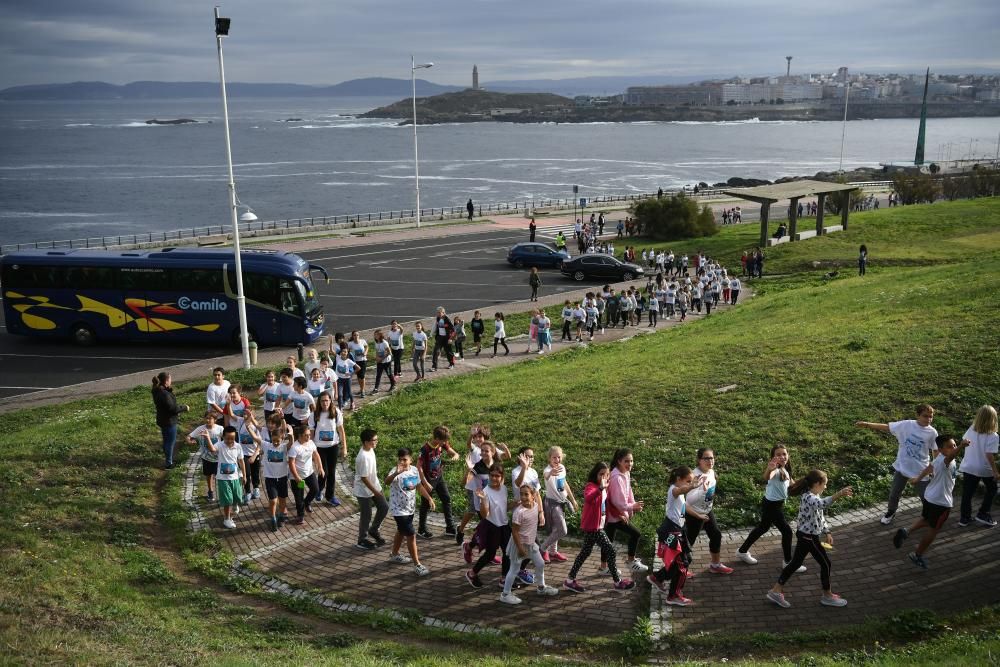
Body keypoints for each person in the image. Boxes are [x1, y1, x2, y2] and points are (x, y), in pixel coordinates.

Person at [767, 471, 852, 609]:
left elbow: (820, 516)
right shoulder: (808, 497)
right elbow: (822, 504)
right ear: (817, 483)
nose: (825, 487)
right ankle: (827, 596)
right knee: (826, 564)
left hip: (806, 535)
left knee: (795, 563)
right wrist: (839, 494)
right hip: (809, 536)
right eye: (825, 484)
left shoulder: (814, 495)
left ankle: (775, 591)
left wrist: (827, 531)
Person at [856, 404, 939, 525]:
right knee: (894, 493)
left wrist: (933, 469)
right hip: (902, 467)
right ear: (917, 415)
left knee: (925, 496)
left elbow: (935, 450)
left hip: (920, 471)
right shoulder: (907, 425)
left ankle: (929, 515)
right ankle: (891, 512)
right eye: (925, 416)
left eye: (931, 417)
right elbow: (887, 427)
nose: (928, 419)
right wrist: (867, 424)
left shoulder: (932, 433)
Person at [894, 435, 968, 568]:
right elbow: (949, 458)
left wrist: (917, 478)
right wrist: (962, 446)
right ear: (940, 450)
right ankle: (917, 555)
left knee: (927, 519)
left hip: (930, 497)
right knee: (934, 529)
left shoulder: (939, 458)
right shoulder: (947, 460)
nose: (953, 448)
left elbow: (930, 467)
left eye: (955, 445)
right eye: (949, 446)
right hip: (941, 502)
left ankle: (906, 531)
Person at [563, 462, 636, 593]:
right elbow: (589, 498)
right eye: (601, 474)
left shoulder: (605, 488)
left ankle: (569, 580)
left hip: (599, 525)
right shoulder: (591, 487)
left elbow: (607, 505)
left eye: (606, 475)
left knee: (585, 553)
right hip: (593, 528)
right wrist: (600, 489)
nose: (604, 477)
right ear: (595, 474)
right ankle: (618, 582)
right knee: (611, 551)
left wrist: (618, 514)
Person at [737, 445, 804, 572]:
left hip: (772, 504)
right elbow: (767, 476)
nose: (782, 457)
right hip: (772, 506)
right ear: (773, 458)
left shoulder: (785, 469)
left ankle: (742, 551)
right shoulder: (775, 470)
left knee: (763, 527)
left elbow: (792, 484)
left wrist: (807, 483)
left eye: (784, 454)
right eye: (778, 455)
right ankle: (788, 562)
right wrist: (769, 469)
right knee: (787, 532)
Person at [501, 484, 559, 604]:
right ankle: (505, 594)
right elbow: (515, 532)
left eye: (526, 494)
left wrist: (541, 515)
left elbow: (539, 498)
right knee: (514, 570)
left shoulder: (536, 506)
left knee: (540, 563)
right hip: (519, 545)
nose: (523, 497)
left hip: (531, 544)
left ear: (533, 496)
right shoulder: (519, 512)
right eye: (521, 494)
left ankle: (541, 588)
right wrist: (520, 548)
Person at [647, 466, 696, 606]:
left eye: (691, 481)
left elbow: (683, 506)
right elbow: (681, 490)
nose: (689, 483)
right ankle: (673, 595)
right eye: (688, 481)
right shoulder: (674, 490)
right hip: (672, 531)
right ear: (678, 479)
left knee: (687, 558)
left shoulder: (680, 491)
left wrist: (699, 515)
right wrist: (692, 486)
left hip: (679, 529)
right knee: (682, 565)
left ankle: (657, 577)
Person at [387, 447, 434, 576]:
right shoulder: (395, 471)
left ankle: (394, 554)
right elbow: (387, 482)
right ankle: (417, 564)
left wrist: (429, 498)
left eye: (405, 459)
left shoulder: (414, 471)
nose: (402, 462)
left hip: (410, 508)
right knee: (411, 535)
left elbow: (419, 486)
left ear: (411, 460)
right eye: (400, 459)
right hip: (398, 510)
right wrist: (396, 473)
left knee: (401, 531)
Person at [686, 448, 733, 574]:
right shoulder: (694, 476)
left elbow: (710, 491)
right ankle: (680, 570)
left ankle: (715, 565)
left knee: (716, 534)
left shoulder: (711, 472)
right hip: (695, 514)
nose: (710, 461)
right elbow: (688, 501)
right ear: (699, 460)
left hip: (707, 511)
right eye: (706, 458)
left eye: (711, 458)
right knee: (688, 542)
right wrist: (703, 491)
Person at [465, 463, 512, 590]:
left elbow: (504, 507)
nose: (494, 478)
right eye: (492, 475)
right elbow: (485, 515)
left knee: (507, 553)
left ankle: (504, 579)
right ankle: (471, 573)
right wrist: (484, 500)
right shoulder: (485, 492)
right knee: (490, 555)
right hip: (492, 527)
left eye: (497, 476)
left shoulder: (504, 489)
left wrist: (517, 504)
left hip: (504, 525)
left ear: (502, 477)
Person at [602, 448, 648, 575]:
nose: (630, 464)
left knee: (608, 540)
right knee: (636, 534)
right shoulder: (617, 478)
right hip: (614, 515)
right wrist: (631, 507)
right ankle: (631, 561)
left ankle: (603, 567)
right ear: (619, 461)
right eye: (627, 461)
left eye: (632, 460)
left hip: (617, 514)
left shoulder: (625, 473)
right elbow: (618, 502)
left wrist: (632, 506)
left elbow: (629, 491)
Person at [958, 405, 999, 527]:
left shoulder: (972, 429)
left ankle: (964, 518)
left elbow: (964, 441)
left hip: (969, 466)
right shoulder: (993, 436)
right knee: (992, 489)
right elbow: (989, 455)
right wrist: (995, 471)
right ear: (993, 419)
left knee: (967, 493)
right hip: (984, 468)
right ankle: (983, 513)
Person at [416, 425, 460, 538]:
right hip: (428, 480)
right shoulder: (425, 449)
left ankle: (450, 528)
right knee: (425, 504)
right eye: (443, 440)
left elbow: (454, 453)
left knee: (447, 499)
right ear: (436, 438)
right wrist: (425, 483)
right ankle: (421, 529)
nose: (445, 442)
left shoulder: (443, 444)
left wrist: (455, 455)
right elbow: (418, 467)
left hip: (439, 477)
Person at [539, 446, 577, 563]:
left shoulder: (562, 468)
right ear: (549, 458)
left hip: (561, 503)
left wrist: (573, 499)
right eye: (554, 457)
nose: (557, 460)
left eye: (559, 457)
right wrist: (551, 472)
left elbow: (565, 483)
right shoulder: (547, 470)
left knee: (556, 528)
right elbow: (545, 475)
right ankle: (543, 548)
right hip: (552, 504)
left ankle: (553, 552)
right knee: (563, 530)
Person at [355, 428, 388, 550]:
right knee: (366, 515)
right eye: (374, 440)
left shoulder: (370, 450)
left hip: (374, 485)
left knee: (384, 507)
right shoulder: (362, 457)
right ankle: (361, 539)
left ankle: (373, 529)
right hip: (363, 490)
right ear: (366, 442)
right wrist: (375, 492)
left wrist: (376, 489)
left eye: (376, 439)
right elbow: (364, 478)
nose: (376, 442)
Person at [311, 391, 347, 505]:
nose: (325, 403)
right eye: (322, 401)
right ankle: (319, 490)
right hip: (319, 447)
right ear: (319, 402)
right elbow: (311, 434)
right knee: (324, 472)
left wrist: (344, 447)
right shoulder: (314, 415)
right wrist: (311, 451)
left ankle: (330, 496)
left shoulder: (336, 412)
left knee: (331, 472)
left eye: (327, 400)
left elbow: (341, 431)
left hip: (333, 447)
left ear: (330, 401)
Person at [151, 372, 190, 469]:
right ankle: (169, 463)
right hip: (169, 421)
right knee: (170, 442)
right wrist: (184, 408)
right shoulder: (164, 394)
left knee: (166, 440)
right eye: (170, 379)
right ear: (166, 381)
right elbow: (173, 408)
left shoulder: (156, 390)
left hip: (162, 419)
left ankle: (169, 459)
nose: (171, 381)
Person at [211, 426, 247, 529]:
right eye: (228, 438)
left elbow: (241, 461)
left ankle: (235, 506)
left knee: (237, 496)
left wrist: (244, 475)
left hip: (235, 476)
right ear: (223, 437)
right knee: (227, 499)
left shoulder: (238, 446)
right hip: (223, 478)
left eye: (232, 438)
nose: (230, 441)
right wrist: (207, 439)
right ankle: (227, 519)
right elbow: (213, 449)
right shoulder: (220, 445)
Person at [261, 415, 293, 531]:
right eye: (273, 440)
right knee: (273, 500)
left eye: (277, 441)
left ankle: (281, 516)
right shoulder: (266, 445)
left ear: (282, 439)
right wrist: (248, 426)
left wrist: (291, 434)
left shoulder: (284, 447)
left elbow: (290, 443)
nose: (275, 443)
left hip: (283, 477)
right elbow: (255, 437)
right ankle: (273, 517)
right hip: (270, 478)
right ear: (271, 438)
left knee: (283, 499)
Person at [287, 425, 324, 525]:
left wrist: (320, 467)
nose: (308, 437)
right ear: (299, 435)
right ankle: (300, 515)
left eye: (309, 435)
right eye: (306, 435)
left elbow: (316, 454)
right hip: (297, 477)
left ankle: (307, 502)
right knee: (299, 497)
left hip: (309, 473)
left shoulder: (311, 443)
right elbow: (291, 463)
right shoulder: (295, 448)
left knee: (315, 489)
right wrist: (297, 477)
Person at [186, 411, 222, 500]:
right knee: (209, 475)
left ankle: (221, 493)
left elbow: (226, 439)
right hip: (206, 458)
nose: (208, 420)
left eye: (210, 418)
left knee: (220, 477)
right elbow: (188, 436)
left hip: (219, 458)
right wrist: (190, 441)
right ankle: (210, 491)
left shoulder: (220, 429)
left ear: (215, 420)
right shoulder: (200, 429)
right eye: (206, 418)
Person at [430, 307, 456, 372]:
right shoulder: (438, 318)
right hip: (440, 338)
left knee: (448, 352)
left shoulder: (447, 320)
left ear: (443, 313)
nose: (438, 314)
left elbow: (453, 330)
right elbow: (435, 326)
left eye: (439, 312)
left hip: (447, 338)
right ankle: (434, 367)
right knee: (436, 351)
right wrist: (431, 334)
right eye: (437, 312)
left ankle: (451, 364)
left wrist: (451, 339)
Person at [371, 329, 396, 394]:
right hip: (379, 361)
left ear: (380, 335)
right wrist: (377, 358)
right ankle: (376, 388)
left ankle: (393, 384)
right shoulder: (376, 343)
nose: (375, 336)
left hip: (386, 361)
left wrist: (381, 359)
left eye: (376, 335)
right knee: (378, 375)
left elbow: (389, 352)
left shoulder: (384, 343)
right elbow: (377, 351)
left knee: (389, 373)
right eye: (375, 335)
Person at [347, 330, 369, 397]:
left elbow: (367, 346)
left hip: (363, 360)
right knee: (359, 376)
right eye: (354, 335)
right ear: (352, 336)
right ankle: (361, 389)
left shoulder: (362, 341)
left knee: (362, 376)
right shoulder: (350, 344)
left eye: (357, 335)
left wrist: (365, 353)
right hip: (355, 362)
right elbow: (347, 351)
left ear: (359, 336)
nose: (356, 336)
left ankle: (363, 391)